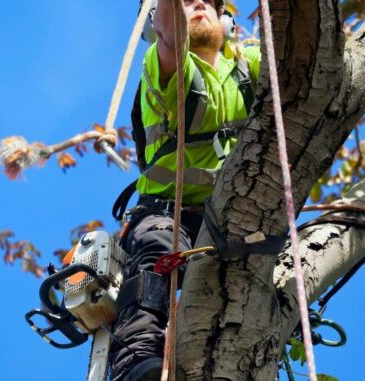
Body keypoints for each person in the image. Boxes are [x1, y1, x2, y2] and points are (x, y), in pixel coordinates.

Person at [108, 1, 261, 380]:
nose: (198, 4)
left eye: (209, 2)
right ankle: (137, 360)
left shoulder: (247, 64)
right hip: (166, 212)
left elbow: (300, 65)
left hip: (233, 219)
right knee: (156, 259)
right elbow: (171, 34)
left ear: (225, 19)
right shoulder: (162, 64)